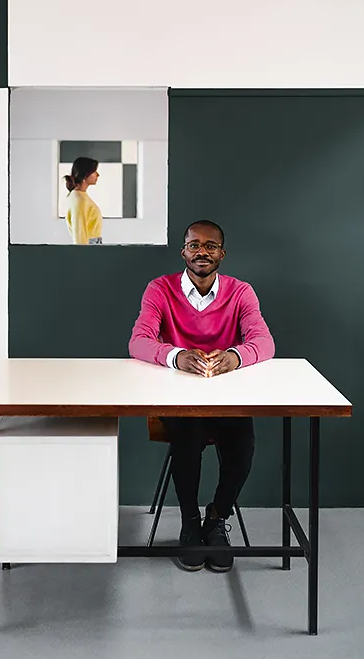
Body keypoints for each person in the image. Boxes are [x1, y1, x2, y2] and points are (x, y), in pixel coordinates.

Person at [129, 220, 275, 573]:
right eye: (194, 245)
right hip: (178, 397)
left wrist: (235, 356)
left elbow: (264, 342)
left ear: (222, 254)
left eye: (211, 246)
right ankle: (190, 522)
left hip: (226, 397)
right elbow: (138, 341)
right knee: (188, 439)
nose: (202, 252)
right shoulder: (160, 289)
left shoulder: (240, 292)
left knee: (242, 447)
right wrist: (176, 356)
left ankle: (216, 517)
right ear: (183, 252)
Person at [64, 156, 103, 245]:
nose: (98, 175)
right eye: (94, 171)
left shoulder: (79, 196)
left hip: (92, 248)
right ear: (85, 174)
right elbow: (79, 234)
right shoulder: (79, 200)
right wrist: (83, 252)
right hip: (89, 249)